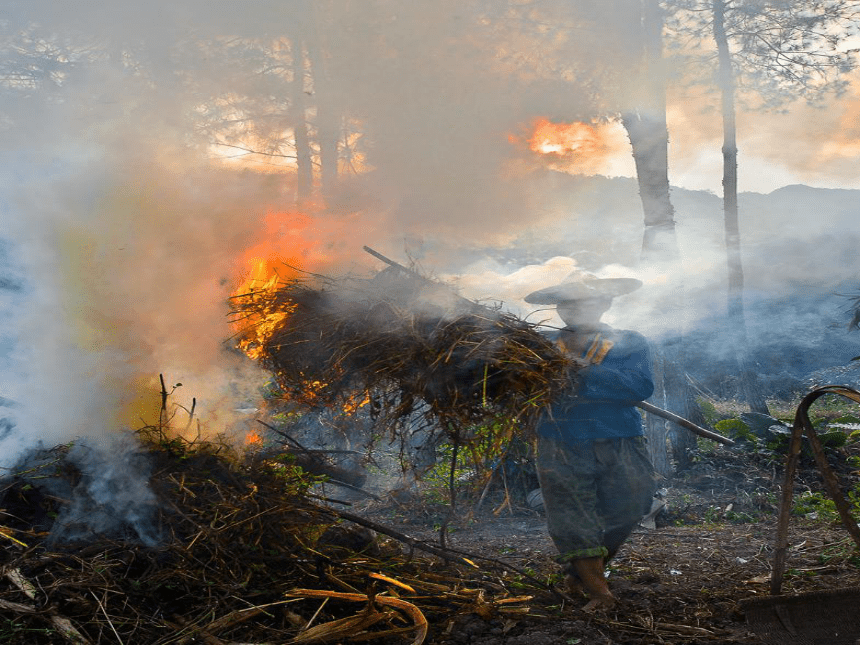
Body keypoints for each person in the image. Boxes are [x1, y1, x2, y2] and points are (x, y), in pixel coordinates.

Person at [523, 272, 656, 612]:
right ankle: (600, 593)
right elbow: (519, 389)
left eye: (587, 300)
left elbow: (638, 388)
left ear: (606, 302)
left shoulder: (631, 341)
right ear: (559, 308)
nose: (577, 308)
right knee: (571, 515)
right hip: (560, 439)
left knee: (633, 505)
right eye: (568, 301)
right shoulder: (536, 344)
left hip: (621, 436)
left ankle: (579, 575)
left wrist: (582, 367)